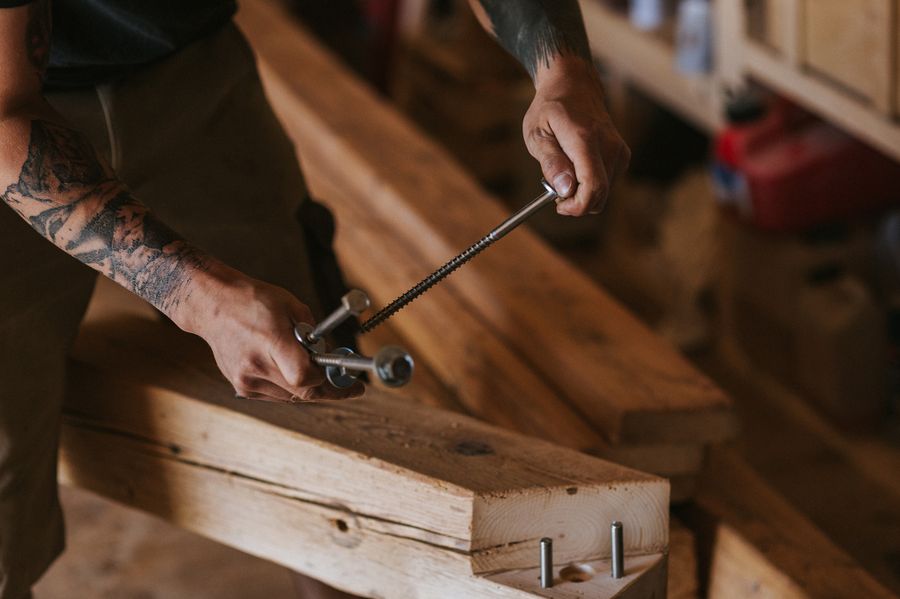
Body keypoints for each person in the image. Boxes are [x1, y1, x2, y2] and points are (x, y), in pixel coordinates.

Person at [0, 1, 629, 597]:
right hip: (9, 115)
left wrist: (562, 73)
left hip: (185, 61)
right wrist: (196, 295)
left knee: (313, 392)